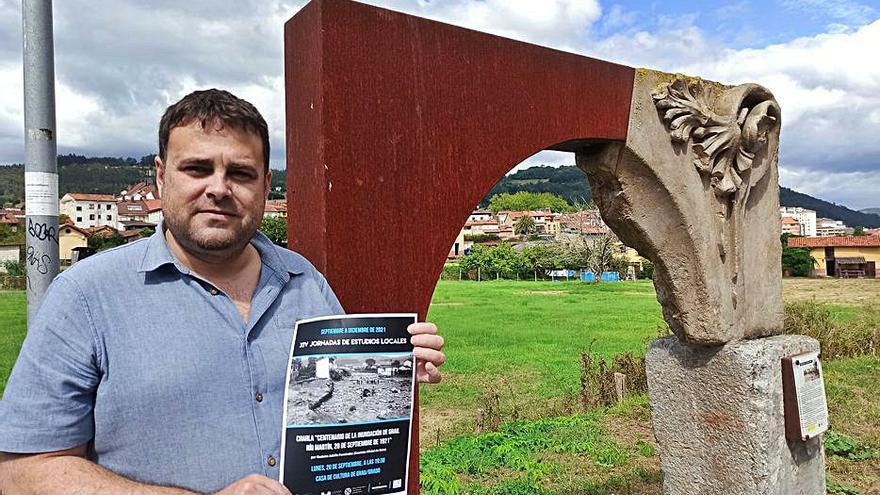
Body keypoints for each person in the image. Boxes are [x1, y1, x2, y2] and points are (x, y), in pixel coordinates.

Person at [0, 89, 446, 495]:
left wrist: (392, 371)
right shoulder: (85, 296)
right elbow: (23, 471)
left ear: (266, 184)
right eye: (197, 168)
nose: (218, 188)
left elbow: (332, 404)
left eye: (240, 172)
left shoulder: (304, 280)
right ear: (160, 176)